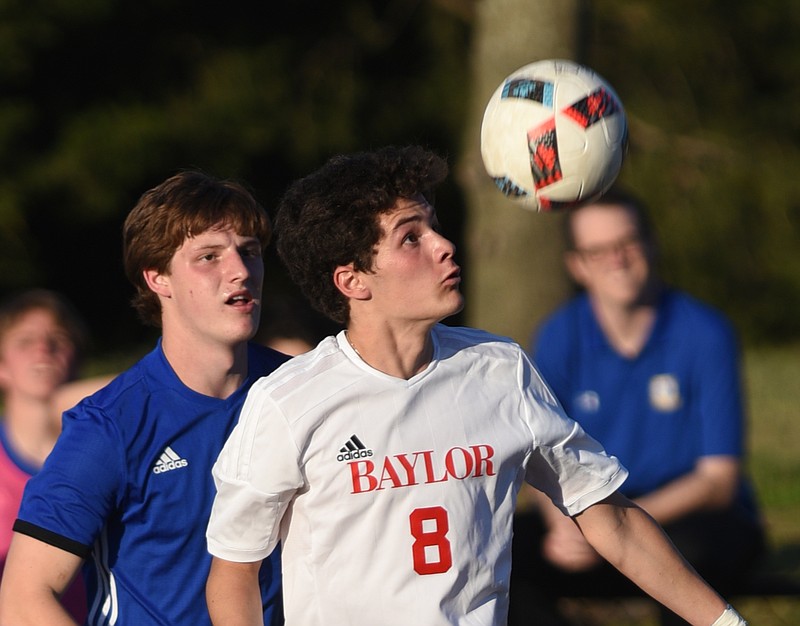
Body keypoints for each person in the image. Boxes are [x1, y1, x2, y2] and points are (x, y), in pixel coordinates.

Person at [204, 145, 748, 626]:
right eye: (411, 237)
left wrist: (725, 623)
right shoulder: (289, 402)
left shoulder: (499, 369)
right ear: (353, 281)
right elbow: (234, 575)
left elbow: (615, 522)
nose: (444, 245)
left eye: (434, 225)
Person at [0, 171, 287, 625]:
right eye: (209, 256)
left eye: (249, 252)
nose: (240, 271)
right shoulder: (108, 426)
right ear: (158, 278)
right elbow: (22, 599)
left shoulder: (298, 389)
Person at [509, 189, 765, 626]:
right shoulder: (558, 335)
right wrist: (564, 527)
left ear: (651, 243)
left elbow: (718, 481)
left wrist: (614, 529)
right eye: (598, 250)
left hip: (692, 520)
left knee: (696, 555)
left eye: (627, 243)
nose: (617, 259)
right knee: (495, 550)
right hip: (589, 518)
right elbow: (539, 456)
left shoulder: (705, 332)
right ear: (577, 265)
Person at [0, 289, 92, 622]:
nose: (43, 348)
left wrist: (64, 401)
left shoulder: (105, 453)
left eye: (59, 339)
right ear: (2, 366)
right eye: (25, 341)